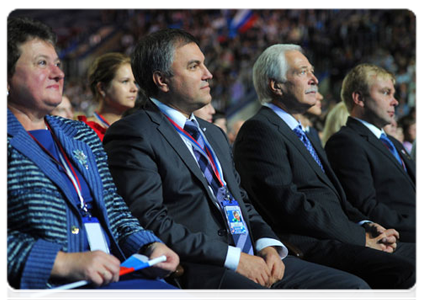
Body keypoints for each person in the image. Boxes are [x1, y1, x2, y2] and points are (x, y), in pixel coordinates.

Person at [104, 29, 374, 300]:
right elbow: (150, 221)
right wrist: (234, 259)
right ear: (162, 80)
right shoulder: (135, 132)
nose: (208, 73)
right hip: (202, 267)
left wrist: (267, 244)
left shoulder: (213, 134)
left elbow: (241, 200)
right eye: (194, 66)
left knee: (355, 289)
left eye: (204, 63)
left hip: (253, 254)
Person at [5, 17, 198, 300]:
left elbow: (114, 208)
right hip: (51, 286)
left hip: (115, 274)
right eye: (41, 63)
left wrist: (149, 246)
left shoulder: (79, 133)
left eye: (58, 64)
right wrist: (63, 262)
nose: (58, 74)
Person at [233, 44, 419, 300]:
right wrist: (358, 237)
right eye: (301, 72)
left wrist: (369, 225)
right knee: (410, 271)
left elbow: (340, 199)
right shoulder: (260, 130)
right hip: (310, 244)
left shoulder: (305, 135)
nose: (314, 78)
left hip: (342, 235)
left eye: (311, 70)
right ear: (276, 86)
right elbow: (289, 205)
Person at [325, 64, 420, 243]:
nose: (395, 101)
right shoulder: (345, 142)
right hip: (397, 240)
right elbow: (368, 208)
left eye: (393, 93)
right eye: (385, 93)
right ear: (359, 98)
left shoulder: (392, 142)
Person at [78, 52, 138, 141]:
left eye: (134, 82)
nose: (134, 89)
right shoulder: (84, 132)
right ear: (102, 88)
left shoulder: (137, 129)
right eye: (125, 81)